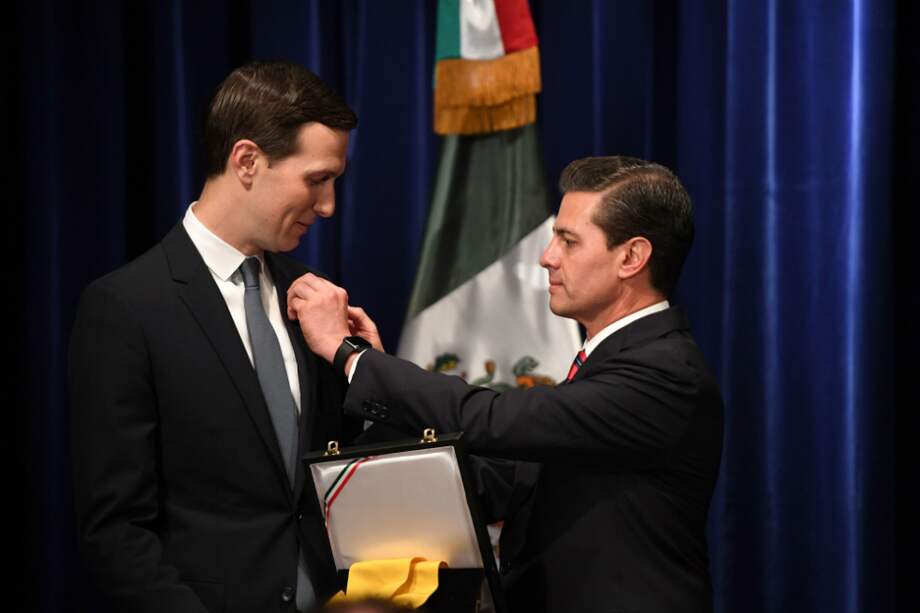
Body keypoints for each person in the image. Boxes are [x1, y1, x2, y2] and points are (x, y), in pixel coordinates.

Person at [287, 156, 724, 613]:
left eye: (568, 241)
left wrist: (353, 358)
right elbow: (498, 480)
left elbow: (494, 419)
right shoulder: (614, 364)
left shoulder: (665, 373)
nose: (546, 257)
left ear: (632, 257)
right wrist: (378, 384)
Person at [69, 61, 361, 612]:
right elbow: (117, 530)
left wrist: (361, 366)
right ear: (247, 160)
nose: (328, 207)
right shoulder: (126, 308)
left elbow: (340, 476)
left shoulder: (314, 300)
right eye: (316, 179)